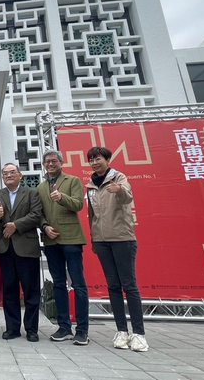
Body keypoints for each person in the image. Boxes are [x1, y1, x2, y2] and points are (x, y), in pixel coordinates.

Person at [86, 146, 149, 352]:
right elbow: (92, 215)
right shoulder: (90, 185)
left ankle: (138, 334)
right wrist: (94, 239)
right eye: (91, 160)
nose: (95, 163)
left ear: (107, 159)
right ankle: (122, 330)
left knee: (129, 285)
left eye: (98, 159)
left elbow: (127, 197)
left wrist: (119, 190)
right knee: (113, 286)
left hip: (122, 238)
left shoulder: (119, 178)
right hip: (101, 241)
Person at [37, 150, 89, 345]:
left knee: (78, 284)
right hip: (51, 240)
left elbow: (78, 205)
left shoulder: (73, 181)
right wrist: (44, 226)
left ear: (61, 162)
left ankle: (82, 330)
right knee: (59, 284)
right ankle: (64, 327)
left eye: (54, 161)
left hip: (71, 238)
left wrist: (62, 198)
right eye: (47, 162)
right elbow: (39, 212)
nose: (50, 164)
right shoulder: (41, 187)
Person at [0, 163, 44, 342]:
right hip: (5, 248)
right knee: (9, 290)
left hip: (27, 248)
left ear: (20, 175)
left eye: (12, 172)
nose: (9, 175)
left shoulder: (32, 193)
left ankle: (31, 329)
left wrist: (16, 225)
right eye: (5, 173)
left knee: (31, 290)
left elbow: (36, 215)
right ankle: (12, 328)